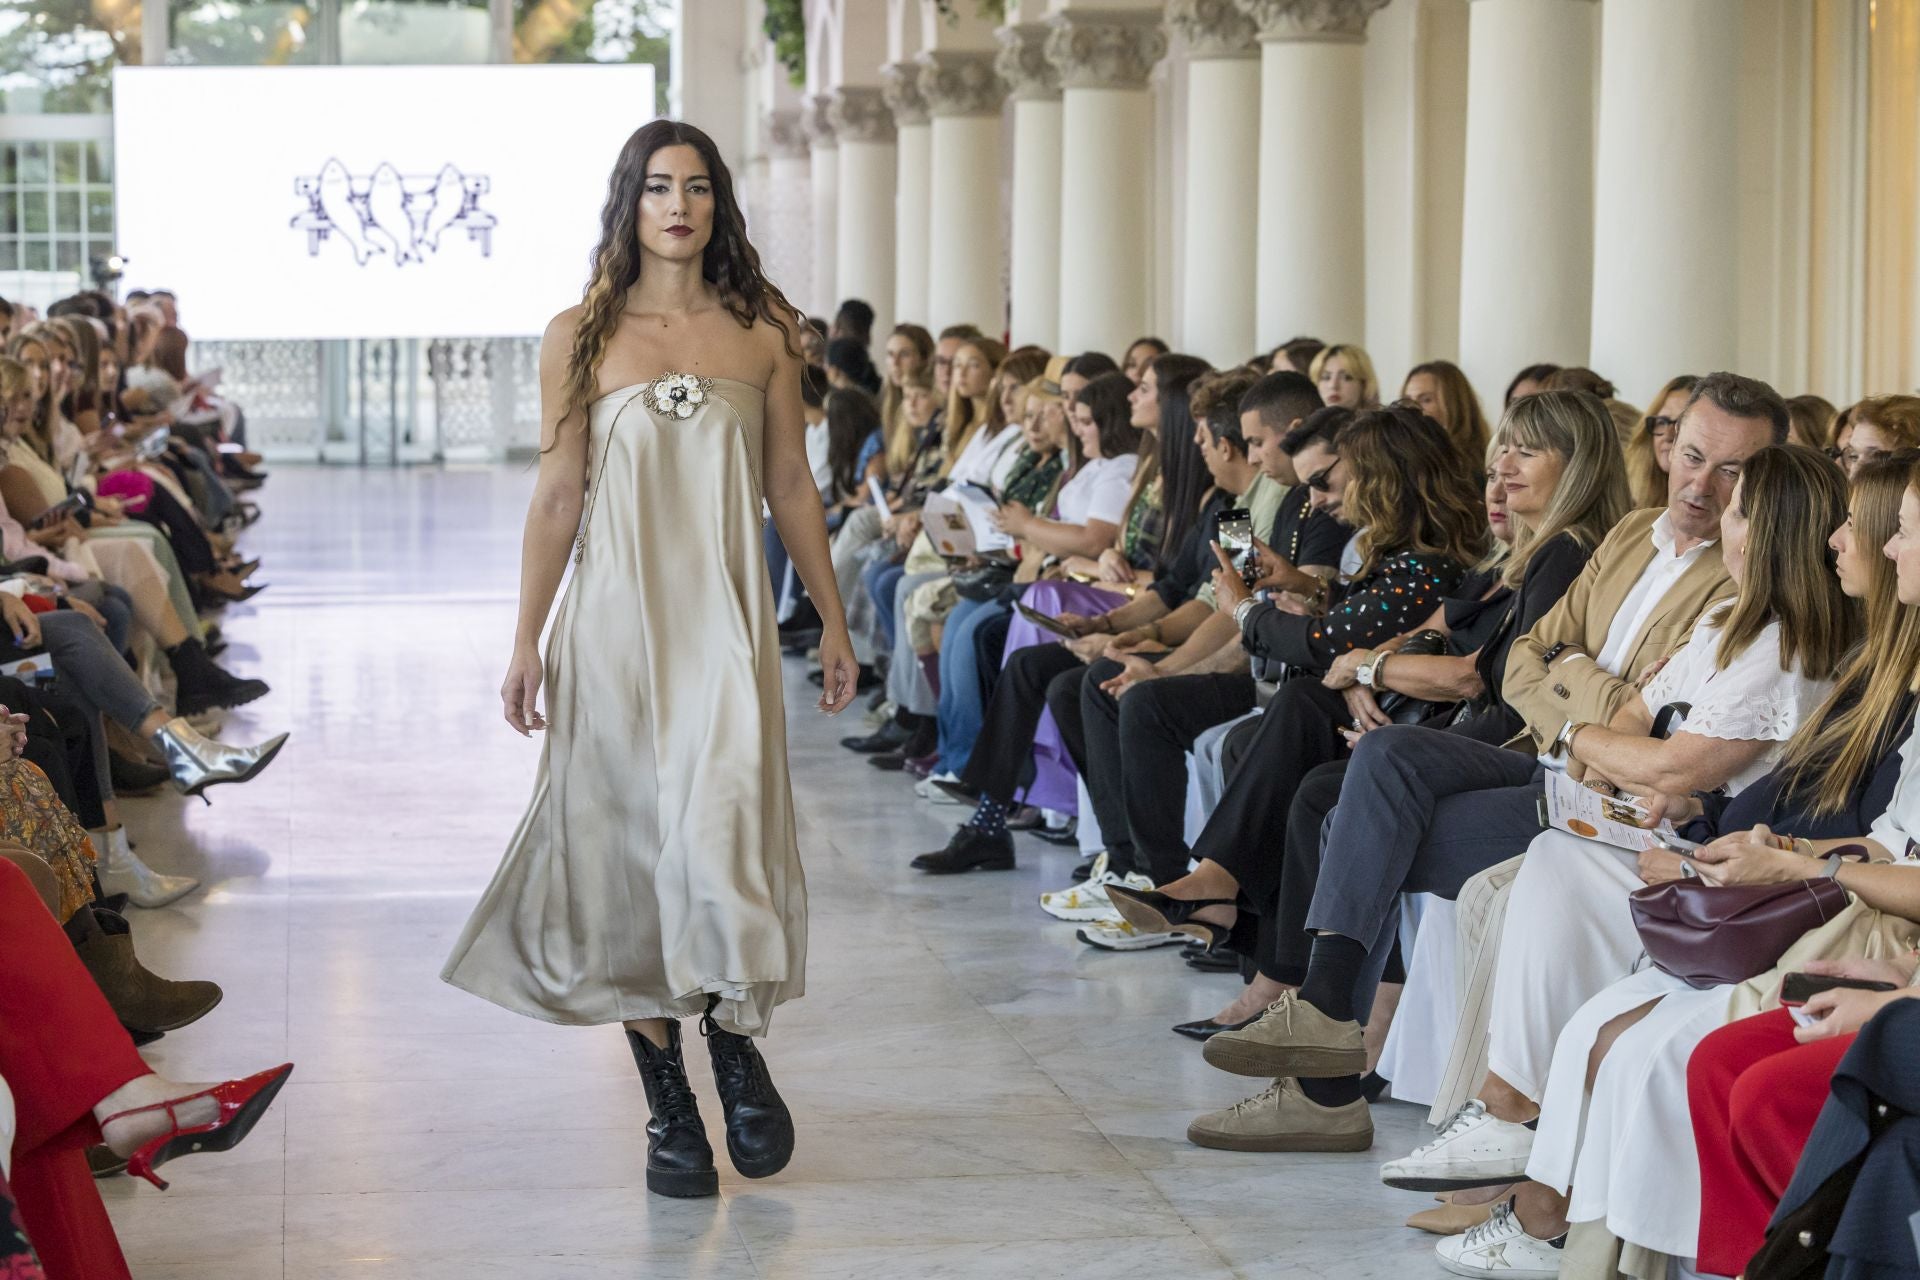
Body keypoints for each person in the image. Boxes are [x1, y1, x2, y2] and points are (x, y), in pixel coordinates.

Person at [441, 120, 858, 1201]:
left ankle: (730, 1037)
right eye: (659, 187)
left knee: (725, 838)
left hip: (722, 630)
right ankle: (666, 1100)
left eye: (700, 187)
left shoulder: (765, 329)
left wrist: (837, 618)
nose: (679, 205)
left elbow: (793, 488)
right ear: (629, 202)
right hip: (613, 632)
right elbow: (558, 496)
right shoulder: (577, 333)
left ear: (720, 205)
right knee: (624, 859)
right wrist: (525, 637)